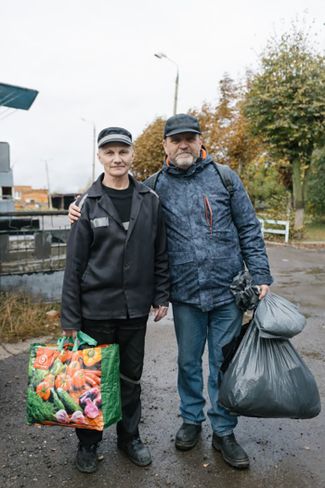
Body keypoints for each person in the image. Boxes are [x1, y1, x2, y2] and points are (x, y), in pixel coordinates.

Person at [69, 114, 273, 470]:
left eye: (190, 138)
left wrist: (260, 274)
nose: (183, 145)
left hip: (227, 291)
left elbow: (249, 229)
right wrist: (78, 204)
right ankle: (191, 420)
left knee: (224, 365)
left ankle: (224, 431)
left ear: (199, 142)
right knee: (188, 363)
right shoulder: (154, 187)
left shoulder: (225, 178)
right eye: (176, 139)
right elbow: (116, 193)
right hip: (187, 295)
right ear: (164, 145)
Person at [61, 126, 169, 474]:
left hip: (134, 309)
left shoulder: (150, 199)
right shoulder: (86, 205)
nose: (117, 158)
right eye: (110, 152)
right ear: (100, 157)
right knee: (91, 379)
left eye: (123, 151)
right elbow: (74, 267)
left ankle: (129, 437)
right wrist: (70, 320)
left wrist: (161, 295)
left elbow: (160, 253)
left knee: (130, 377)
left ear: (132, 154)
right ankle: (88, 444)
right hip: (96, 310)